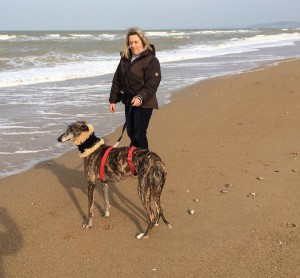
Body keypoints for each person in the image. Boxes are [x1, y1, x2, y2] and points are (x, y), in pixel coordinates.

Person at [109, 27, 161, 149]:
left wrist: (140, 97)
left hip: (145, 102)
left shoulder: (151, 60)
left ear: (143, 42)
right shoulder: (125, 59)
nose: (133, 45)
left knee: (139, 134)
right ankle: (136, 160)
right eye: (130, 42)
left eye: (136, 42)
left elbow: (153, 83)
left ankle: (146, 163)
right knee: (131, 133)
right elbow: (117, 80)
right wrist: (113, 99)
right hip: (129, 101)